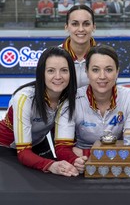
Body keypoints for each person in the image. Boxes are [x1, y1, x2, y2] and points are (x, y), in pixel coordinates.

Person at [0, 46, 81, 176]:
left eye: (64, 70)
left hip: (38, 142)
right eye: (51, 71)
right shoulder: (24, 98)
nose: (58, 76)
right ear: (41, 73)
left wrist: (75, 160)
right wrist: (51, 165)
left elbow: (61, 145)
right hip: (6, 146)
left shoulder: (68, 99)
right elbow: (23, 153)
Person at [54, 45, 130, 163]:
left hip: (118, 162)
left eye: (109, 70)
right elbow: (62, 149)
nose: (102, 76)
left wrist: (85, 153)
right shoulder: (71, 100)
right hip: (82, 164)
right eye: (95, 70)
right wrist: (75, 160)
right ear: (86, 71)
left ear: (117, 72)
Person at [60, 4, 98, 88]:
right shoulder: (52, 56)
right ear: (66, 27)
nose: (81, 29)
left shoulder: (105, 56)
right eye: (75, 24)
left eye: (86, 24)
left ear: (94, 27)